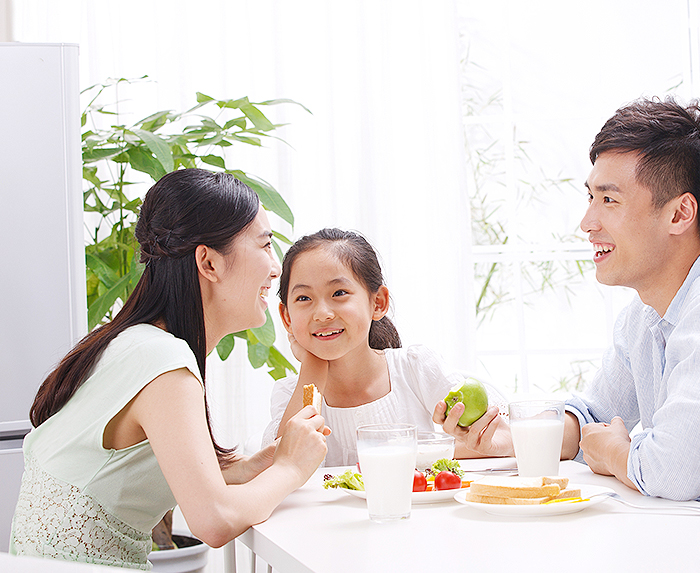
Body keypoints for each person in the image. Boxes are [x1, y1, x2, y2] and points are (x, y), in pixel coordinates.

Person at [9, 169, 329, 568]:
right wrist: (290, 468)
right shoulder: (163, 362)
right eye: (265, 246)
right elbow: (214, 521)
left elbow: (159, 478)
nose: (275, 267)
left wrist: (254, 466)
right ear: (209, 263)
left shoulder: (128, 342)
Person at [442, 96, 700, 501]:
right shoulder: (642, 318)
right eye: (590, 198)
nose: (587, 223)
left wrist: (615, 452)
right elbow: (592, 418)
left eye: (609, 200)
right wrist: (508, 438)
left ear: (680, 214)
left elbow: (673, 472)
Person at [261, 227, 507, 466]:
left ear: (378, 302)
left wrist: (482, 442)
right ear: (287, 317)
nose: (322, 313)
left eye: (339, 293)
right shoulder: (288, 393)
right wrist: (312, 367)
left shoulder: (414, 368)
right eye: (304, 298)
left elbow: (506, 435)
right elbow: (275, 469)